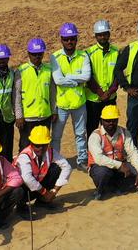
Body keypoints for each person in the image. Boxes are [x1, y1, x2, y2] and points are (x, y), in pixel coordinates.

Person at [51, 23, 91, 170]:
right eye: (66, 39)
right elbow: (58, 80)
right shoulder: (55, 57)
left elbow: (86, 76)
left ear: (76, 39)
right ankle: (55, 162)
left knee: (81, 134)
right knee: (56, 136)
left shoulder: (83, 55)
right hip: (61, 104)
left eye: (72, 39)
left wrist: (67, 77)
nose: (69, 42)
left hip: (79, 103)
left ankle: (82, 161)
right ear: (61, 40)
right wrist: (76, 80)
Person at [87, 105, 138, 200]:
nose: (111, 123)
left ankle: (115, 186)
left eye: (114, 120)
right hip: (101, 166)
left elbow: (133, 152)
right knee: (103, 173)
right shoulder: (95, 136)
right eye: (107, 120)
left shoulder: (124, 132)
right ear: (102, 121)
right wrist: (120, 165)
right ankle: (100, 190)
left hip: (120, 165)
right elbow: (99, 159)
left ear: (117, 120)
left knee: (136, 176)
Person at [15, 125, 71, 214]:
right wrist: (45, 192)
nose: (40, 148)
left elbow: (67, 166)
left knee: (55, 169)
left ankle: (42, 201)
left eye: (44, 145)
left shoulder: (50, 151)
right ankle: (21, 206)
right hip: (25, 189)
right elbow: (27, 178)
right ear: (31, 143)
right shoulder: (24, 156)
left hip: (38, 186)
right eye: (37, 145)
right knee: (18, 189)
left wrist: (54, 191)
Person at [14, 38, 56, 150]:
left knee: (43, 145)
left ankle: (42, 167)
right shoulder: (21, 71)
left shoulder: (48, 69)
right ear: (28, 54)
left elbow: (52, 93)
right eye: (34, 54)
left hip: (45, 115)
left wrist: (54, 111)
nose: (37, 57)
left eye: (39, 54)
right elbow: (17, 95)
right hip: (28, 118)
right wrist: (19, 116)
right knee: (25, 146)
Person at [85, 19, 119, 135]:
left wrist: (108, 93)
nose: (103, 37)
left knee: (110, 129)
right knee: (91, 129)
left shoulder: (116, 52)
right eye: (99, 35)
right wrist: (100, 93)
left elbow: (118, 75)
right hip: (93, 100)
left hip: (110, 98)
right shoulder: (89, 53)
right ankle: (91, 152)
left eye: (105, 34)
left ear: (109, 34)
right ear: (95, 36)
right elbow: (88, 77)